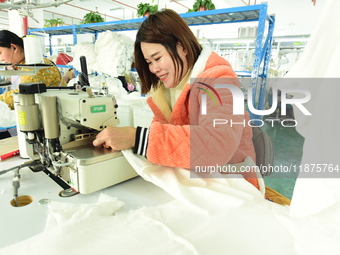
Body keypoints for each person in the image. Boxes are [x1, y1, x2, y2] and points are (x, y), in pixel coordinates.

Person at [93, 9, 261, 190]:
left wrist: (140, 138)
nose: (153, 69)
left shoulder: (220, 79)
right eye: (149, 62)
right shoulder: (166, 90)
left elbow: (217, 144)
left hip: (233, 184)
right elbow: (168, 138)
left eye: (157, 58)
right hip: (196, 180)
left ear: (181, 46)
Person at [0, 30, 66, 110]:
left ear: (14, 48)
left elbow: (22, 95)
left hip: (53, 114)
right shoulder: (20, 64)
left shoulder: (37, 66)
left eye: (0, 53)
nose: (1, 59)